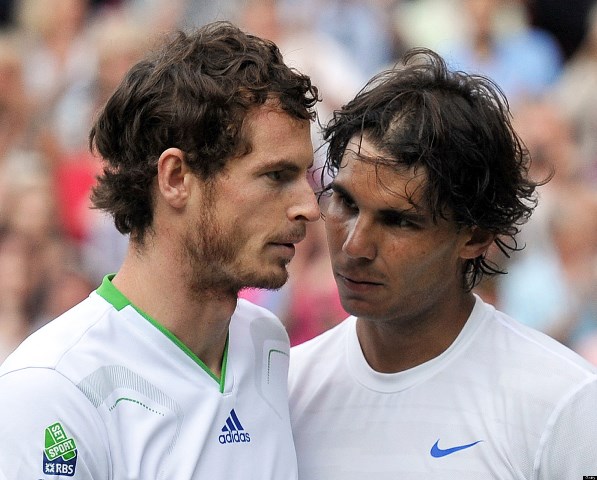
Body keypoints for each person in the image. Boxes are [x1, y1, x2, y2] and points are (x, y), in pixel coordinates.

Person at [0, 21, 320, 479]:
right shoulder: (51, 387)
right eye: (276, 176)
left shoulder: (266, 341)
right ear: (175, 178)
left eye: (306, 177)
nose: (309, 207)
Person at [288, 48, 597, 479]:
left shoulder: (565, 403)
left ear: (474, 236)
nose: (355, 245)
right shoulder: (285, 388)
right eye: (346, 202)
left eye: (399, 220)